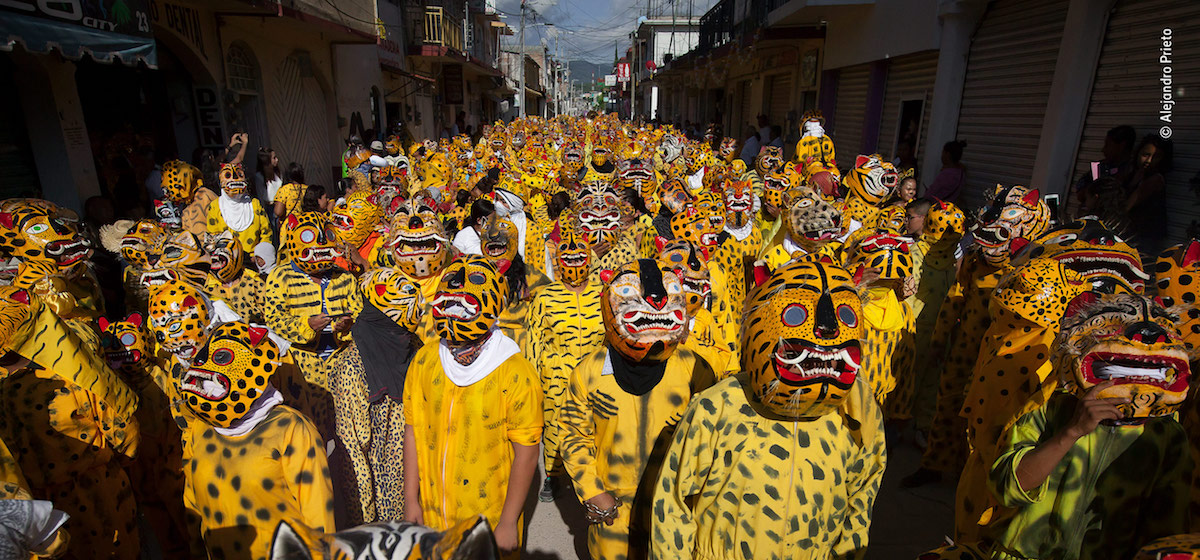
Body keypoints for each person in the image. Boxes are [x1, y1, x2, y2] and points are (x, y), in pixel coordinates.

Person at [403, 257, 542, 558]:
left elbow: (527, 454)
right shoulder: (425, 361)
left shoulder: (515, 372)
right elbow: (412, 431)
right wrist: (411, 499)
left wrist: (508, 521)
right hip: (432, 516)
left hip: (487, 520)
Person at [1123, 133, 1172, 261]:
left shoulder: (1155, 179)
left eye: (1156, 157)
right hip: (1133, 232)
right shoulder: (1135, 174)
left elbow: (1128, 205)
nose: (1149, 161)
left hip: (1144, 236)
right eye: (1146, 155)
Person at [1072, 125, 1136, 208]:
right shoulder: (1101, 167)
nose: (1103, 150)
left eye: (1108, 145)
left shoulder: (1132, 171)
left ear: (1122, 146)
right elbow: (1080, 193)